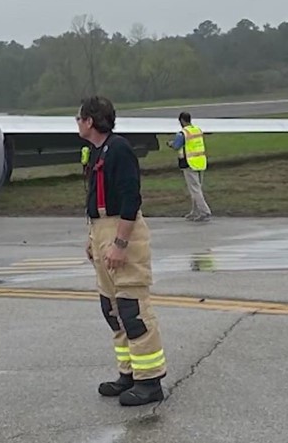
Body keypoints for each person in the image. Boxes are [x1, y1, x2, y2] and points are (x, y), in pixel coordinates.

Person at [77, 95, 166, 407]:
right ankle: (128, 373)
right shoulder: (97, 151)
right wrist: (93, 239)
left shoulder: (120, 150)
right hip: (102, 228)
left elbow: (131, 199)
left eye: (79, 118)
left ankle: (150, 380)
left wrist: (120, 243)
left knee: (132, 310)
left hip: (122, 230)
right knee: (112, 310)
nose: (77, 124)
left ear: (90, 121)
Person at [167, 112, 211, 222]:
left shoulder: (182, 133)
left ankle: (204, 211)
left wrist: (170, 144)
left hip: (189, 163)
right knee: (197, 188)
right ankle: (195, 211)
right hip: (200, 161)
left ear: (182, 120)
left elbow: (177, 146)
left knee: (195, 189)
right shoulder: (197, 130)